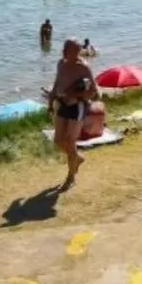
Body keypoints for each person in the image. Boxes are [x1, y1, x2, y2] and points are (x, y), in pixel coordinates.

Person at [47, 38, 98, 190]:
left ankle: (71, 177)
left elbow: (93, 92)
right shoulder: (61, 63)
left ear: (75, 52)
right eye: (63, 48)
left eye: (66, 49)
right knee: (58, 140)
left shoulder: (83, 68)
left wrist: (76, 96)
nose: (62, 51)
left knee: (70, 140)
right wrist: (50, 101)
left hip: (77, 107)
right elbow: (57, 83)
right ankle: (77, 157)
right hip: (61, 104)